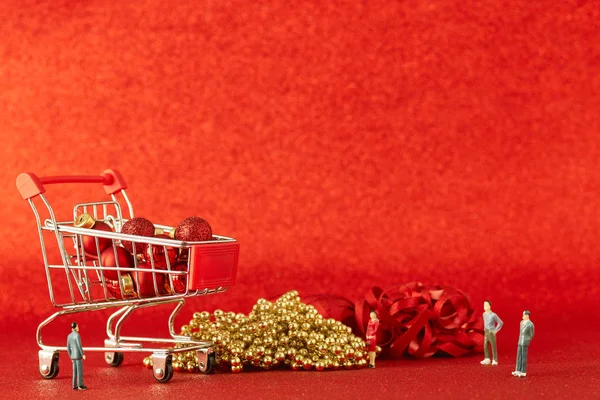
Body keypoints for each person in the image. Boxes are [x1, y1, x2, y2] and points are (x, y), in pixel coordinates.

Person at [480, 300, 503, 366]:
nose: (484, 307)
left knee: (493, 347)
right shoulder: (484, 314)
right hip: (486, 331)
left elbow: (500, 323)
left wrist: (495, 330)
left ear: (490, 306)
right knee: (485, 346)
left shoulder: (493, 315)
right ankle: (487, 359)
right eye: (484, 305)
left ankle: (495, 360)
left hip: (491, 332)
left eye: (486, 305)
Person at [512, 310, 534, 378]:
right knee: (519, 356)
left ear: (527, 315)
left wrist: (527, 340)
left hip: (525, 342)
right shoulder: (521, 322)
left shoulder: (530, 324)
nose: (523, 316)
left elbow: (532, 334)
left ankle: (523, 371)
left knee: (524, 357)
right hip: (520, 341)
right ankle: (518, 370)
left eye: (524, 314)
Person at [67, 322, 87, 390]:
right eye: (77, 326)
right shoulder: (77, 335)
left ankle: (74, 385)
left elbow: (68, 348)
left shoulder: (69, 336)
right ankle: (80, 385)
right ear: (75, 327)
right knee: (80, 371)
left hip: (73, 356)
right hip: (78, 355)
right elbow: (79, 346)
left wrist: (70, 356)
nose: (78, 328)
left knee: (74, 371)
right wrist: (83, 354)